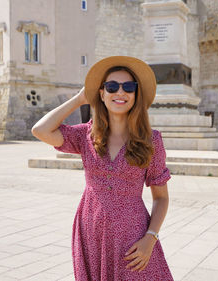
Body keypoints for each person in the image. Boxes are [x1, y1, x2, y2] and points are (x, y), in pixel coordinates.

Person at [32, 56, 173, 280]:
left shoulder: (151, 140)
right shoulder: (86, 135)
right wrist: (79, 99)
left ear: (136, 94)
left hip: (132, 237)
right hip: (90, 232)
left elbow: (161, 198)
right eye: (111, 86)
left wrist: (150, 238)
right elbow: (41, 130)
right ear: (101, 94)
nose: (120, 92)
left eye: (128, 87)